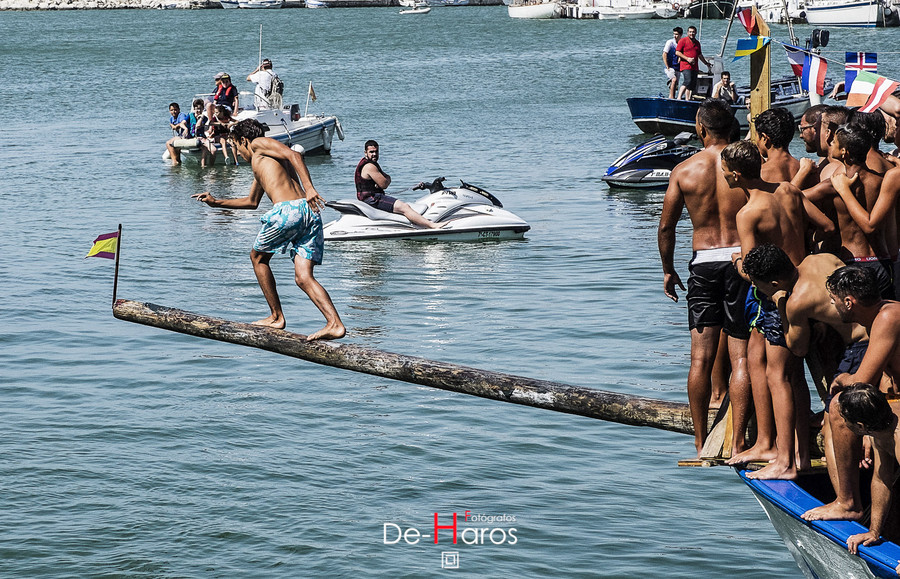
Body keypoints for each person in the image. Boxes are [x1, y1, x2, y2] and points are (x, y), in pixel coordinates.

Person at [723, 141, 833, 479]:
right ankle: (793, 453)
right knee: (790, 374)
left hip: (776, 297)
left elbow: (752, 269)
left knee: (780, 376)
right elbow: (827, 227)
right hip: (803, 284)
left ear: (736, 174)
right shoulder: (787, 190)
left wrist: (737, 262)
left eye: (725, 170)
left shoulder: (749, 213)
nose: (723, 174)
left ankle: (783, 460)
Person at [192, 119, 345, 341]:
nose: (238, 152)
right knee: (303, 277)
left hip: (291, 210)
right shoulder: (262, 165)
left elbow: (295, 155)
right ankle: (335, 323)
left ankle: (276, 317)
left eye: (236, 146)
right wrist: (216, 202)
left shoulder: (257, 144)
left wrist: (310, 188)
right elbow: (251, 202)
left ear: (243, 140)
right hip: (310, 214)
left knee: (257, 258)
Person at [658, 99, 750, 457]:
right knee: (741, 358)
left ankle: (700, 442)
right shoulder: (745, 163)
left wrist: (668, 270)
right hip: (741, 259)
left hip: (704, 263)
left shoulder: (684, 170)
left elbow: (666, 227)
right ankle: (739, 439)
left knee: (700, 359)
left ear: (701, 129)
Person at [736, 245, 869, 487]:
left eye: (758, 284)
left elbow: (797, 348)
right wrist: (818, 319)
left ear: (775, 284)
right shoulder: (820, 258)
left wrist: (781, 305)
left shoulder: (796, 301)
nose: (756, 289)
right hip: (878, 328)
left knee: (834, 419)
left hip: (862, 346)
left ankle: (844, 497)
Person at [802, 265, 900, 522]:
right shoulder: (882, 313)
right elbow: (883, 378)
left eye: (833, 301)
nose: (832, 307)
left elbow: (862, 381)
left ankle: (847, 503)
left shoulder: (888, 318)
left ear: (849, 302)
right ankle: (870, 522)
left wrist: (844, 378)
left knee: (837, 406)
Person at [836, 384, 900, 558]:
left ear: (860, 426)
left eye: (844, 418)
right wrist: (874, 531)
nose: (842, 422)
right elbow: (882, 479)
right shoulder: (883, 426)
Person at [355, 140, 443, 230]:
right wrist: (384, 181)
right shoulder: (370, 166)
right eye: (371, 152)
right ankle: (431, 225)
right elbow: (384, 184)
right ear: (365, 152)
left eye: (376, 151)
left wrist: (384, 180)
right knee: (404, 207)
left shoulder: (367, 163)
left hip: (369, 197)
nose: (374, 154)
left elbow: (385, 179)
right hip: (372, 198)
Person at [675, 26, 712, 101]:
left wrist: (706, 63)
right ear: (687, 32)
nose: (692, 33)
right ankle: (679, 97)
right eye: (690, 32)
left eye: (693, 32)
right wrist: (687, 59)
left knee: (692, 84)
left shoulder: (697, 43)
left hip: (694, 67)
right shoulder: (683, 41)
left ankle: (687, 98)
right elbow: (677, 52)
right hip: (685, 66)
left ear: (696, 33)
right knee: (687, 81)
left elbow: (699, 55)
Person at [165, 102, 190, 167]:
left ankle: (174, 161)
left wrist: (176, 126)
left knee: (168, 143)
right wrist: (172, 125)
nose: (174, 112)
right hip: (180, 136)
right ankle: (178, 161)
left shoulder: (181, 115)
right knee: (173, 145)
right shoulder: (171, 118)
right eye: (171, 110)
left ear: (179, 110)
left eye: (175, 110)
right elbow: (171, 124)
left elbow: (182, 123)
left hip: (185, 136)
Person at [662, 27, 683, 100]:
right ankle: (671, 98)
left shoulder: (682, 43)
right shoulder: (670, 42)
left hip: (677, 67)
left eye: (677, 34)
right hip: (669, 66)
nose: (675, 36)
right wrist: (667, 66)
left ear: (681, 35)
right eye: (674, 34)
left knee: (675, 84)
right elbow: (664, 54)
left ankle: (673, 97)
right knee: (673, 79)